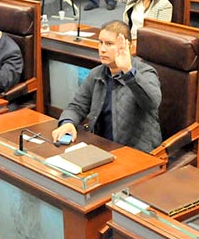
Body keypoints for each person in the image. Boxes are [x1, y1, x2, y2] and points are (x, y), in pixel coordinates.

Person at [51, 21, 162, 153]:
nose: (102, 49)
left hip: (135, 152)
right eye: (100, 42)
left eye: (109, 44)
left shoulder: (145, 72)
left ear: (127, 46)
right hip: (101, 146)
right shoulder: (97, 73)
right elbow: (77, 106)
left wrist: (129, 72)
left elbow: (152, 103)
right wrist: (68, 122)